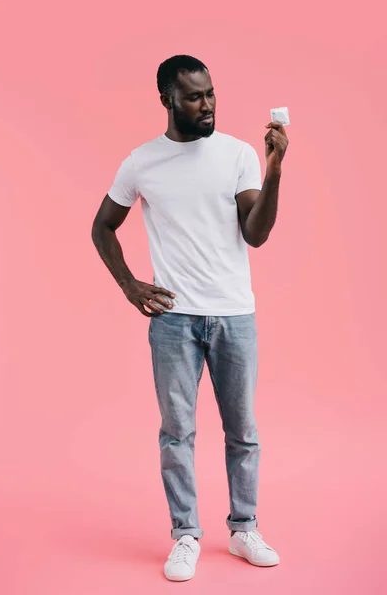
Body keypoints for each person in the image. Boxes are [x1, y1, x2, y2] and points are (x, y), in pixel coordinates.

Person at [91, 54, 289, 582]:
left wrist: (274, 172)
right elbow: (102, 227)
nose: (207, 105)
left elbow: (256, 233)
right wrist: (131, 286)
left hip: (233, 314)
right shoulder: (142, 162)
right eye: (195, 96)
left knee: (242, 431)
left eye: (211, 93)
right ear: (167, 100)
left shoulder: (238, 154)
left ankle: (244, 527)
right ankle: (185, 535)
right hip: (175, 320)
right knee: (177, 433)